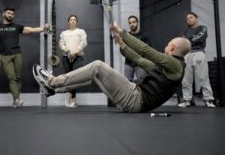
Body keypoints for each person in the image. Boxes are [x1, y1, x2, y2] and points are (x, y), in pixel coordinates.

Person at [33, 22, 191, 113]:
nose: (165, 45)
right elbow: (138, 59)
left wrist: (123, 33)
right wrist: (121, 42)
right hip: (134, 97)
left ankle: (53, 82)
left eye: (168, 44)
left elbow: (146, 51)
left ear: (171, 47)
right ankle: (54, 90)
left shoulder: (175, 64)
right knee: (95, 73)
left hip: (135, 99)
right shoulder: (167, 68)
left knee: (97, 66)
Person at [0, 7, 50, 108]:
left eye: (12, 14)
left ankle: (15, 100)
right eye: (9, 13)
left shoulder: (16, 27)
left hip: (17, 54)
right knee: (11, 77)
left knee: (18, 78)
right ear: (3, 14)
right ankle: (17, 99)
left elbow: (31, 30)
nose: (10, 15)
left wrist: (43, 28)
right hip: (4, 56)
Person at [178, 12, 215, 108]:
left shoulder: (202, 28)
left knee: (203, 77)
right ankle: (187, 100)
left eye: (191, 17)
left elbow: (199, 38)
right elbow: (183, 44)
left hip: (199, 53)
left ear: (196, 18)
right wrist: (187, 41)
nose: (189, 19)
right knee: (186, 79)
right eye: (187, 18)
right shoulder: (186, 31)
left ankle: (208, 99)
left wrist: (188, 41)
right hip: (187, 55)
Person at [59, 15, 87, 107]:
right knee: (68, 78)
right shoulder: (64, 33)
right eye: (71, 19)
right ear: (68, 22)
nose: (73, 21)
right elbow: (61, 43)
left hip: (78, 57)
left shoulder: (81, 31)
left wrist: (75, 52)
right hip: (66, 58)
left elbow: (83, 43)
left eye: (74, 19)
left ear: (77, 22)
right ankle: (71, 99)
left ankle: (72, 98)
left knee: (74, 78)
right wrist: (67, 50)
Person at [124, 15, 151, 81]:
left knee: (142, 82)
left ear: (137, 23)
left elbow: (149, 50)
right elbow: (122, 49)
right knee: (127, 83)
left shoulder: (144, 36)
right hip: (128, 63)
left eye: (133, 22)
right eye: (130, 23)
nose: (132, 24)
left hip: (140, 63)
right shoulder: (126, 36)